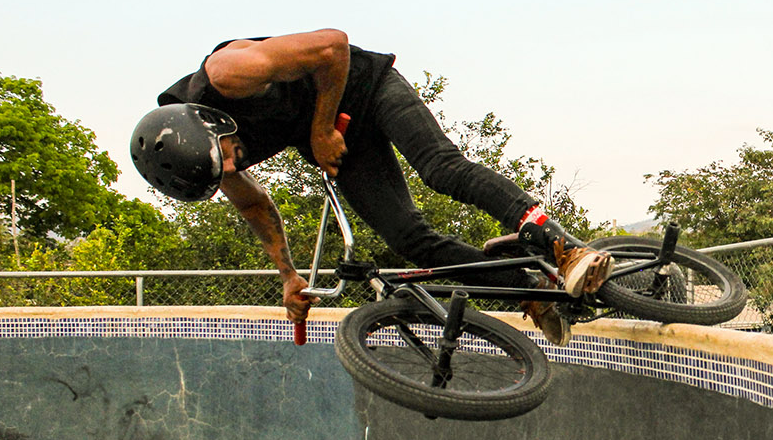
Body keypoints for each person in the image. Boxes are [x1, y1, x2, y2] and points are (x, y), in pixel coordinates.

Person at [129, 29, 609, 344]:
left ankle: (564, 248)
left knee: (439, 169)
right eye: (226, 174)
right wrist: (289, 276)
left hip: (366, 88)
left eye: (229, 159)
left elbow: (332, 47)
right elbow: (255, 208)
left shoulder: (227, 73)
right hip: (340, 136)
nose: (237, 168)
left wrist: (319, 131)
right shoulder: (217, 160)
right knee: (407, 238)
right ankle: (521, 287)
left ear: (208, 124)